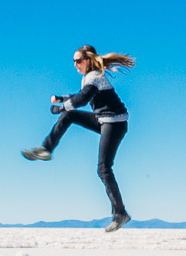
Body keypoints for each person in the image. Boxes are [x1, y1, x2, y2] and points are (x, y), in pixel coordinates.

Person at [22, 45, 134, 232]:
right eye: (73, 61)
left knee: (104, 169)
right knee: (69, 116)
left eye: (78, 60)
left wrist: (61, 107)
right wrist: (62, 98)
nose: (75, 64)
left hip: (115, 123)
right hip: (103, 120)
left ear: (88, 60)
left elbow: (82, 100)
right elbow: (81, 95)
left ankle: (120, 213)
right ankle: (46, 149)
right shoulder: (89, 78)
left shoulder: (94, 77)